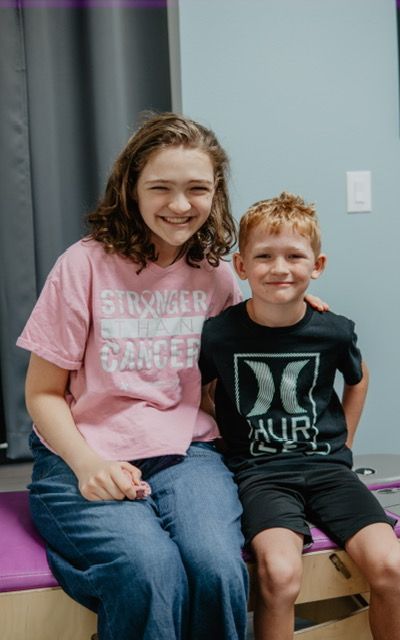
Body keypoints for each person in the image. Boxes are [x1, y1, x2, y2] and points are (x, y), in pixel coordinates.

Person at [17, 112, 251, 640]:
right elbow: (43, 393)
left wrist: (297, 306)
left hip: (188, 453)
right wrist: (88, 464)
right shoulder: (83, 265)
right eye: (160, 188)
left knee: (216, 566)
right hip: (83, 449)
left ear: (215, 194)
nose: (179, 205)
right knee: (148, 570)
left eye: (197, 188)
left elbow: (241, 351)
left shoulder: (216, 273)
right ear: (131, 189)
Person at [199, 191, 400, 640]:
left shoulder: (334, 330)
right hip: (260, 475)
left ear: (317, 266)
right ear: (241, 266)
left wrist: (345, 444)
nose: (280, 268)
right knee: (278, 575)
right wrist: (223, 423)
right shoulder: (219, 334)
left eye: (295, 256)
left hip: (329, 471)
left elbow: (358, 378)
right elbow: (198, 389)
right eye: (264, 256)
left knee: (391, 566)